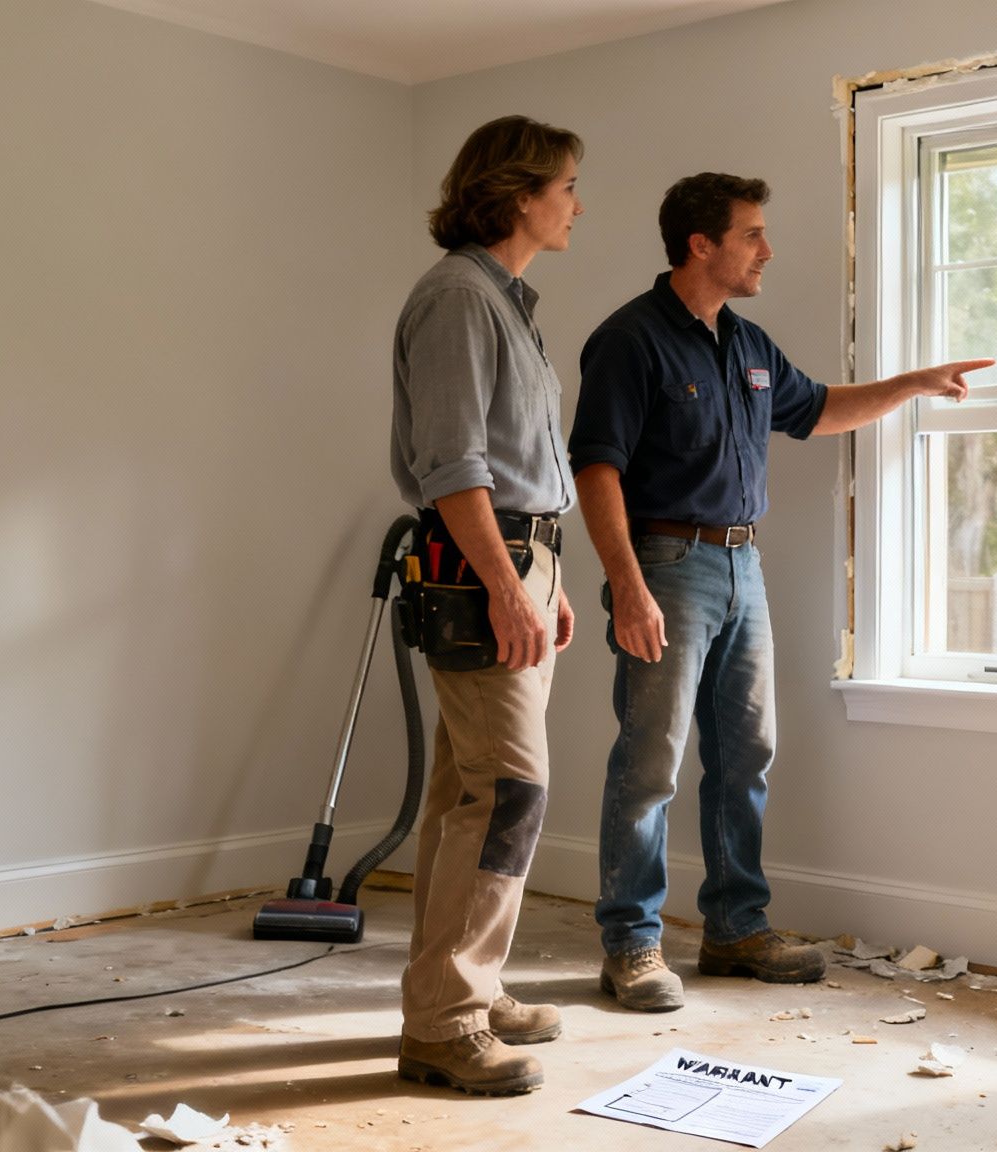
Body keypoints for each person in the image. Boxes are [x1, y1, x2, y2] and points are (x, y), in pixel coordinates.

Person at [568, 172, 990, 1011]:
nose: (768, 250)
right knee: (651, 759)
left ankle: (735, 928)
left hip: (741, 566)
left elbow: (819, 409)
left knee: (744, 754)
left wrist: (911, 383)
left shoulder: (749, 345)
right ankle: (632, 945)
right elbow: (597, 466)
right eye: (752, 234)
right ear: (702, 244)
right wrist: (626, 584)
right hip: (664, 563)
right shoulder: (630, 340)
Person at [388, 115, 584, 1094]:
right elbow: (454, 464)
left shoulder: (506, 301)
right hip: (481, 564)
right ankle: (445, 1022)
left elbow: (523, 463)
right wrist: (508, 582)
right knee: (508, 790)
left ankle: (460, 985)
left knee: (464, 790)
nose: (576, 204)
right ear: (519, 196)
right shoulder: (460, 299)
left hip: (518, 558)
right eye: (566, 187)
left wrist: (550, 574)